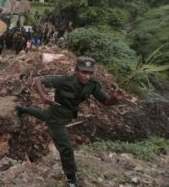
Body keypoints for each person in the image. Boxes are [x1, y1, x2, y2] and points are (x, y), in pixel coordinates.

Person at [15, 57, 125, 187]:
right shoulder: (64, 80)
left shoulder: (92, 85)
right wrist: (43, 96)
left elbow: (106, 102)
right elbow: (39, 80)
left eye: (90, 73)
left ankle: (23, 109)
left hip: (66, 115)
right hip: (57, 118)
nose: (87, 76)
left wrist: (115, 99)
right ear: (76, 71)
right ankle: (72, 179)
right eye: (84, 72)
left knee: (44, 115)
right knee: (66, 148)